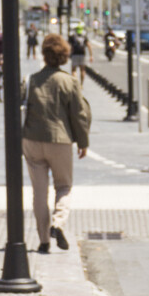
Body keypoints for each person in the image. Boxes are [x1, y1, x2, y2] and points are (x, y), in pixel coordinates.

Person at [22, 34, 91, 253]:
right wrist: (83, 142)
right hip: (60, 141)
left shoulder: (31, 80)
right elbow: (79, 115)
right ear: (64, 56)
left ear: (43, 54)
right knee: (63, 186)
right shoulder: (68, 81)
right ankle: (57, 223)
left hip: (32, 140)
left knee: (39, 193)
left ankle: (43, 241)